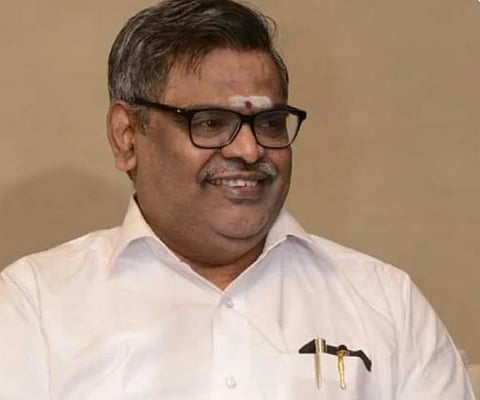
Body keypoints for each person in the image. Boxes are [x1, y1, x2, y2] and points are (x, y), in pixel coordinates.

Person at [0, 0, 475, 399]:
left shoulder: (386, 304)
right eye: (210, 123)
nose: (249, 150)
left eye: (269, 124)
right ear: (127, 136)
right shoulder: (36, 307)